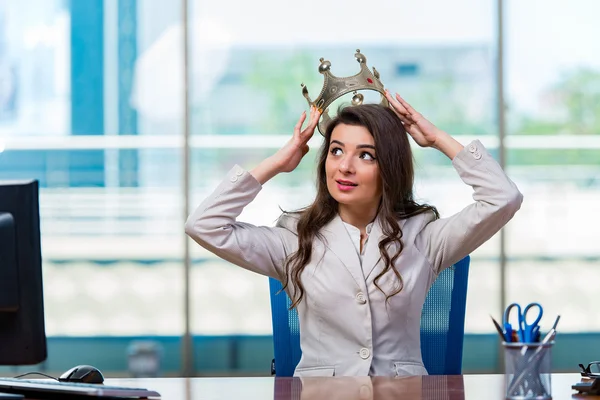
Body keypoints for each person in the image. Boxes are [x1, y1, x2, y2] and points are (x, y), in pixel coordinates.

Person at [185, 89, 523, 377]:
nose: (345, 166)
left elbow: (503, 199)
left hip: (403, 395)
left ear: (390, 166)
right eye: (336, 150)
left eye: (366, 155)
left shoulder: (424, 236)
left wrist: (436, 139)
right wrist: (277, 162)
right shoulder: (293, 238)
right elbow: (204, 225)